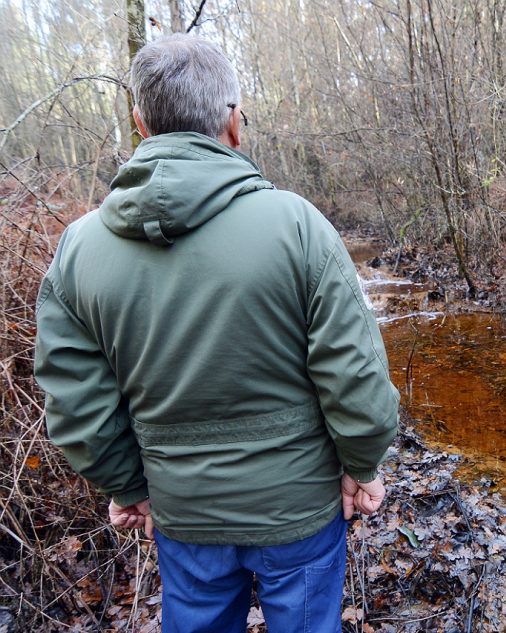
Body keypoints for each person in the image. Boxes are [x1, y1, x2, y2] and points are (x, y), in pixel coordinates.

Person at [33, 34, 399, 633]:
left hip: (183, 516)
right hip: (300, 511)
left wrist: (128, 486)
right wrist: (361, 466)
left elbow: (77, 405)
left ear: (140, 123)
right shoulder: (297, 226)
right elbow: (355, 376)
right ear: (233, 123)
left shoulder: (79, 250)